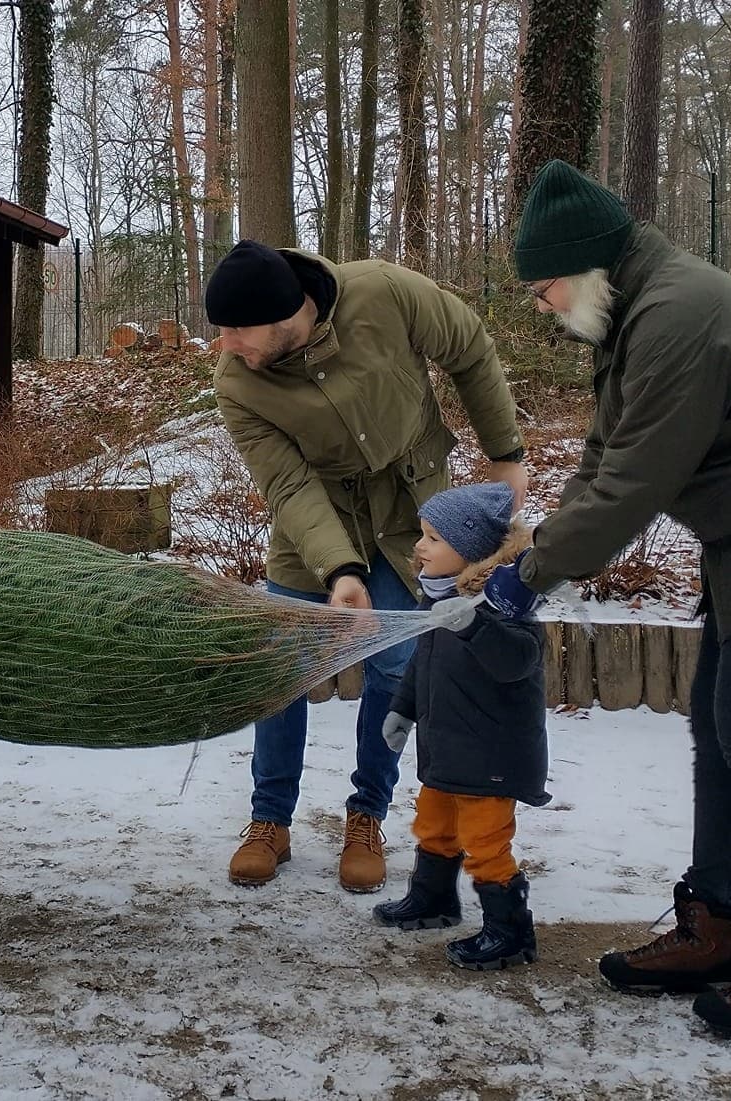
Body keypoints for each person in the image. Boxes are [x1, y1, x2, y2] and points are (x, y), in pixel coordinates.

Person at [484, 158, 731, 1037]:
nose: (542, 307)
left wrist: (530, 574)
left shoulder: (676, 315)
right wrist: (535, 548)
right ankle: (714, 927)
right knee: (717, 730)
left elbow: (636, 483)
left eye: (543, 290)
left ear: (584, 268)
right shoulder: (636, 315)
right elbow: (601, 463)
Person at [206, 239, 528, 893]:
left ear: (283, 311)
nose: (227, 346)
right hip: (313, 523)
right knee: (284, 663)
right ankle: (269, 819)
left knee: (393, 665)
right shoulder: (238, 383)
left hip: (409, 511)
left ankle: (366, 815)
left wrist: (504, 452)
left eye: (237, 330)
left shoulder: (384, 292)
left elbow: (467, 344)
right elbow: (290, 487)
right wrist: (338, 571)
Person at [373, 482, 548, 971]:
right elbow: (422, 664)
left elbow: (517, 661)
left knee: (487, 844)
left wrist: (472, 626)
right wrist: (402, 710)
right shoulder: (443, 602)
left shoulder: (509, 603)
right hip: (446, 748)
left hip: (491, 754)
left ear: (469, 549)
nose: (419, 546)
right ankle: (433, 900)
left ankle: (510, 932)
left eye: (433, 538)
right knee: (434, 826)